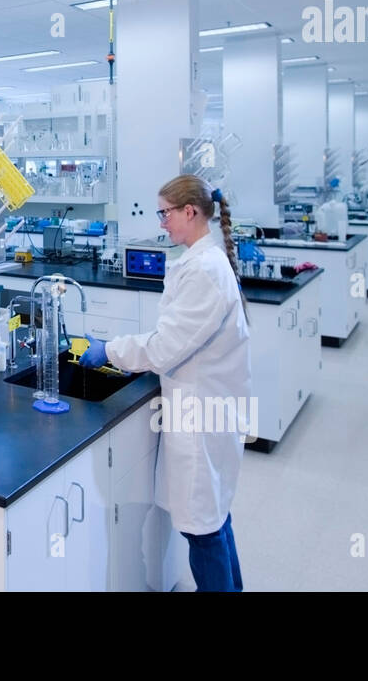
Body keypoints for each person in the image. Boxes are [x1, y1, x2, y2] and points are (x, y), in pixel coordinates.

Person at [80, 175, 252, 591]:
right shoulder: (203, 261)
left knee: (203, 529)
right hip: (210, 406)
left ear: (190, 212)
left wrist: (111, 350)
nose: (162, 223)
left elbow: (164, 348)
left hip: (203, 415)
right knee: (214, 517)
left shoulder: (205, 271)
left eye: (165, 213)